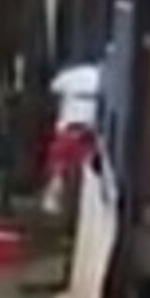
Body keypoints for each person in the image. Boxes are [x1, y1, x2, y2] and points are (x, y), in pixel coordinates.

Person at [42, 59, 101, 220]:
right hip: (88, 130)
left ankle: (54, 199)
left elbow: (53, 89)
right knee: (88, 174)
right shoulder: (102, 76)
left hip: (69, 128)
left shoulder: (69, 75)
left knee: (59, 168)